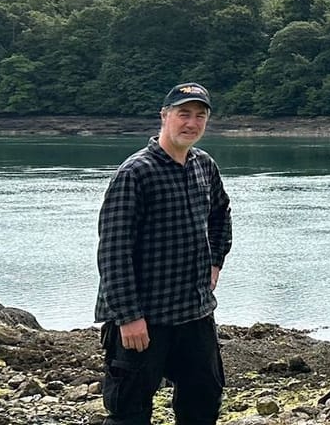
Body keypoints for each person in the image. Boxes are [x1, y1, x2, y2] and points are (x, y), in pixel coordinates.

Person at [94, 82, 233, 425]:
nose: (191, 123)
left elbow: (221, 214)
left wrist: (215, 260)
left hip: (195, 312)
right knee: (130, 410)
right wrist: (127, 316)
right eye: (183, 114)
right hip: (144, 316)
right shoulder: (135, 173)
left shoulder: (204, 165)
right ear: (164, 116)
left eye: (200, 116)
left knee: (203, 401)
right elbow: (113, 250)